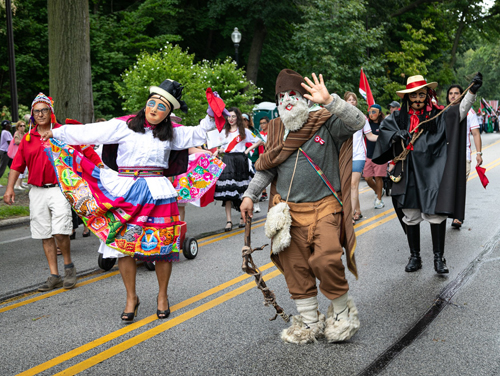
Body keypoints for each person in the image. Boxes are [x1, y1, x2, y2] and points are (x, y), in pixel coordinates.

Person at [39, 79, 217, 322]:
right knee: (124, 248)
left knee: (163, 248)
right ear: (146, 104)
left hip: (159, 194)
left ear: (168, 113)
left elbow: (198, 132)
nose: (154, 108)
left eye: (161, 106)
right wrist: (56, 132)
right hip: (126, 191)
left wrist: (212, 112)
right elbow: (90, 131)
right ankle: (131, 297)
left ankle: (162, 296)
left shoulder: (172, 134)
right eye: (152, 103)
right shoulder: (123, 126)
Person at [241, 70, 365, 344]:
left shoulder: (325, 120)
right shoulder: (274, 129)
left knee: (326, 258)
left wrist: (331, 100)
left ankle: (342, 313)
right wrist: (250, 195)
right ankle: (309, 320)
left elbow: (358, 122)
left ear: (305, 99)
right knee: (295, 266)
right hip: (287, 212)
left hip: (325, 206)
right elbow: (267, 168)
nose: (287, 100)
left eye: (293, 95)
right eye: (282, 96)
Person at [372, 74, 482, 274]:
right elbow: (384, 131)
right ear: (407, 97)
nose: (417, 100)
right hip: (407, 174)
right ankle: (415, 257)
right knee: (411, 214)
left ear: (427, 94)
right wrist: (396, 135)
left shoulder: (438, 115)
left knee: (434, 213)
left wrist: (472, 91)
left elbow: (460, 112)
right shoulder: (397, 118)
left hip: (433, 172)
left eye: (421, 95)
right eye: (413, 96)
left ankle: (439, 259)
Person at [4, 93, 77, 291]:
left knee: (61, 231)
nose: (41, 114)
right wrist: (9, 188)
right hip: (36, 190)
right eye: (37, 111)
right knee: (44, 233)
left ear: (51, 112)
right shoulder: (28, 138)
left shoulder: (62, 132)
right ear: (32, 115)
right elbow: (16, 166)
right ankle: (54, 275)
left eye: (44, 110)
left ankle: (69, 267)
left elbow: (80, 156)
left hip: (59, 189)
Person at [214, 107, 262, 231]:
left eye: (233, 116)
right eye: (229, 116)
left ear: (238, 118)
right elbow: (222, 148)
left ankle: (242, 217)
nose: (231, 119)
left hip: (240, 160)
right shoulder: (223, 132)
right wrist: (218, 151)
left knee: (241, 190)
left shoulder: (244, 131)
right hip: (228, 160)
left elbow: (259, 141)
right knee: (227, 192)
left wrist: (247, 150)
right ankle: (228, 221)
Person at [446, 85, 483, 228]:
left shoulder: (469, 112)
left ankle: (457, 217)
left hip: (463, 156)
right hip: (446, 157)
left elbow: (475, 133)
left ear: (462, 95)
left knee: (459, 186)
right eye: (451, 93)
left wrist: (479, 153)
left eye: (456, 93)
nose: (453, 96)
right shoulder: (443, 111)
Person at [344, 92, 370, 223]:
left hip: (358, 155)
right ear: (345, 102)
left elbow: (370, 136)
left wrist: (387, 137)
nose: (352, 102)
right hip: (344, 156)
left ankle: (349, 216)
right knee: (348, 186)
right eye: (349, 100)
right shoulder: (340, 117)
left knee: (353, 185)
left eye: (354, 100)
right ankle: (358, 210)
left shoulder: (362, 117)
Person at [363, 104, 386, 209]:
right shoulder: (366, 124)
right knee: (367, 177)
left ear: (379, 113)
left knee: (378, 177)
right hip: (369, 155)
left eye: (374, 112)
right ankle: (378, 191)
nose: (371, 114)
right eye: (370, 112)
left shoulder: (384, 125)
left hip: (380, 155)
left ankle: (379, 200)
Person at [11, 121, 27, 190]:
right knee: (20, 168)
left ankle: (20, 183)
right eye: (21, 126)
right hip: (18, 153)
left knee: (25, 169)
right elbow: (17, 141)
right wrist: (25, 141)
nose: (22, 127)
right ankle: (17, 185)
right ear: (18, 127)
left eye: (23, 126)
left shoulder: (25, 134)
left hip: (24, 153)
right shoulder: (17, 133)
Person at [258, 116, 270, 202]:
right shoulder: (259, 134)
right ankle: (264, 192)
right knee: (263, 173)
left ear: (268, 123)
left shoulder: (272, 133)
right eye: (261, 123)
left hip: (271, 155)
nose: (262, 125)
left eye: (264, 123)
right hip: (262, 155)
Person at [0, 120, 13, 184]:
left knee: (13, 167)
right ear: (5, 126)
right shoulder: (5, 132)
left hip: (9, 152)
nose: (10, 125)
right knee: (2, 167)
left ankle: (15, 182)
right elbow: (9, 142)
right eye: (9, 124)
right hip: (5, 152)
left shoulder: (7, 132)